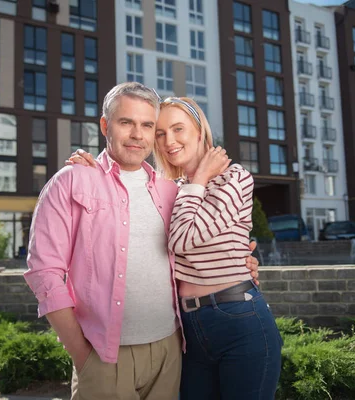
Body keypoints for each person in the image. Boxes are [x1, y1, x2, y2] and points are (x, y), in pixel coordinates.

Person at [24, 82, 259, 400]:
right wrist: (83, 356)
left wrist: (242, 264)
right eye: (126, 122)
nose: (138, 134)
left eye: (147, 125)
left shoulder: (171, 191)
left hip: (171, 352)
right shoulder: (71, 181)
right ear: (106, 125)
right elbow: (45, 273)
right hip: (104, 357)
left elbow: (193, 249)